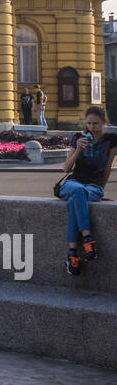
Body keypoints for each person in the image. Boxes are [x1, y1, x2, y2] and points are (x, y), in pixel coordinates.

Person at [60, 105, 117, 276]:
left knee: (74, 201)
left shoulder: (111, 141)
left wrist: (100, 190)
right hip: (73, 183)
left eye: (96, 124)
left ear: (104, 122)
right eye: (89, 123)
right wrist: (78, 149)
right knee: (77, 191)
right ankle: (88, 239)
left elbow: (108, 168)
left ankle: (72, 254)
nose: (92, 128)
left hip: (93, 186)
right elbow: (66, 169)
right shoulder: (78, 137)